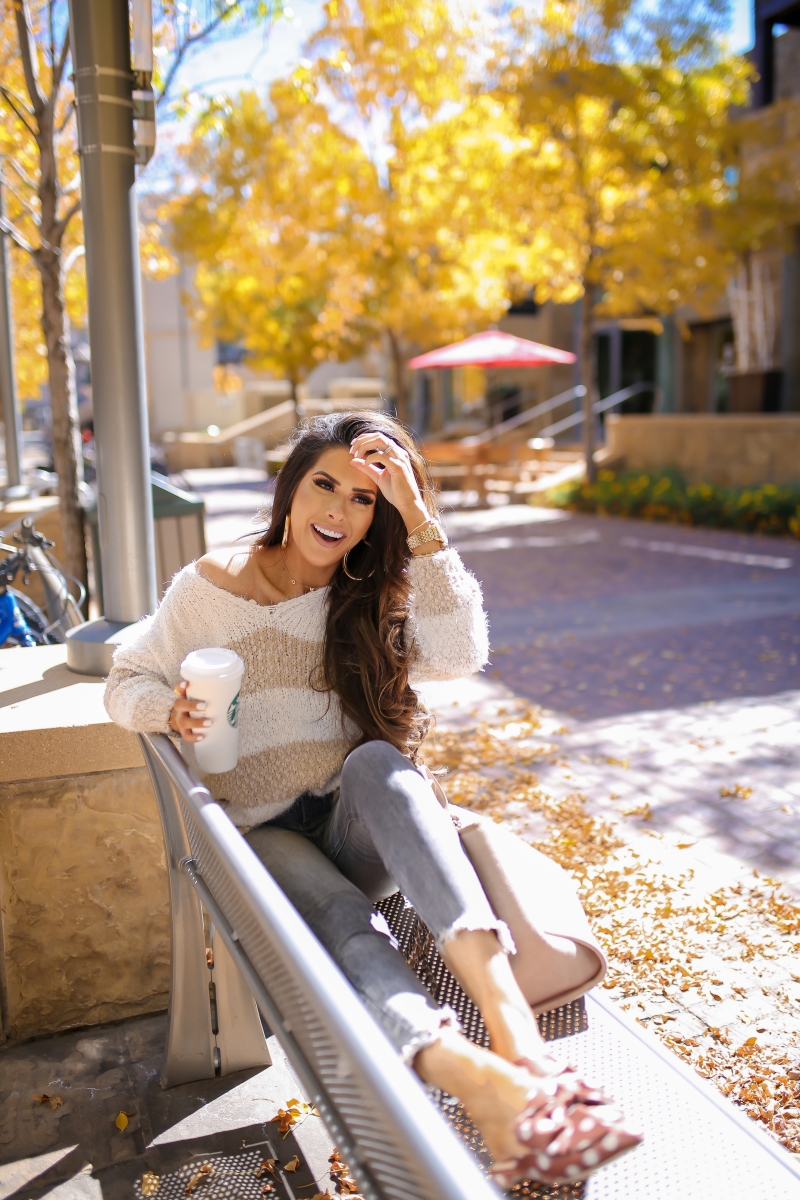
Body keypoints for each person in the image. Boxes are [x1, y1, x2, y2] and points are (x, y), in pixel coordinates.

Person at [105, 411, 640, 1187]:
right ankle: (477, 1081)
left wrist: (419, 518)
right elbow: (127, 679)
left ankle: (514, 1038)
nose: (338, 510)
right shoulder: (206, 590)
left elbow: (461, 654)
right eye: (324, 484)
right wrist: (170, 712)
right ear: (291, 489)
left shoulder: (367, 591)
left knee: (381, 765)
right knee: (347, 926)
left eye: (364, 498)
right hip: (262, 833)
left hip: (355, 821)